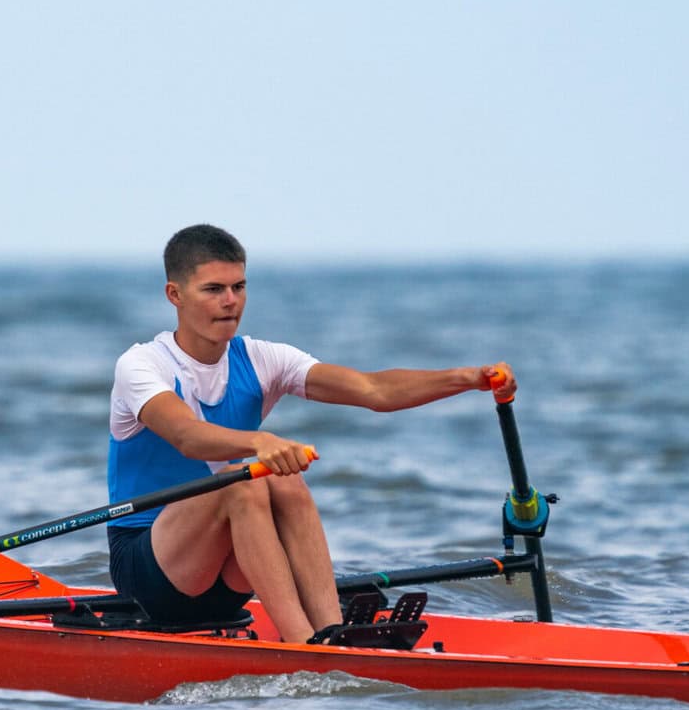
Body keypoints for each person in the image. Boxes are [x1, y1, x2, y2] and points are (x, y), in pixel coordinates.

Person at [107, 224, 513, 643]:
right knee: (242, 483)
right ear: (175, 294)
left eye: (238, 287)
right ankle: (304, 645)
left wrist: (466, 379)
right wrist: (259, 442)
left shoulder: (263, 358)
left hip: (227, 578)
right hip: (149, 574)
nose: (230, 301)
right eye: (213, 289)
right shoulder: (142, 366)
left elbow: (374, 390)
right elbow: (187, 436)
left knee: (283, 481)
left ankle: (330, 632)